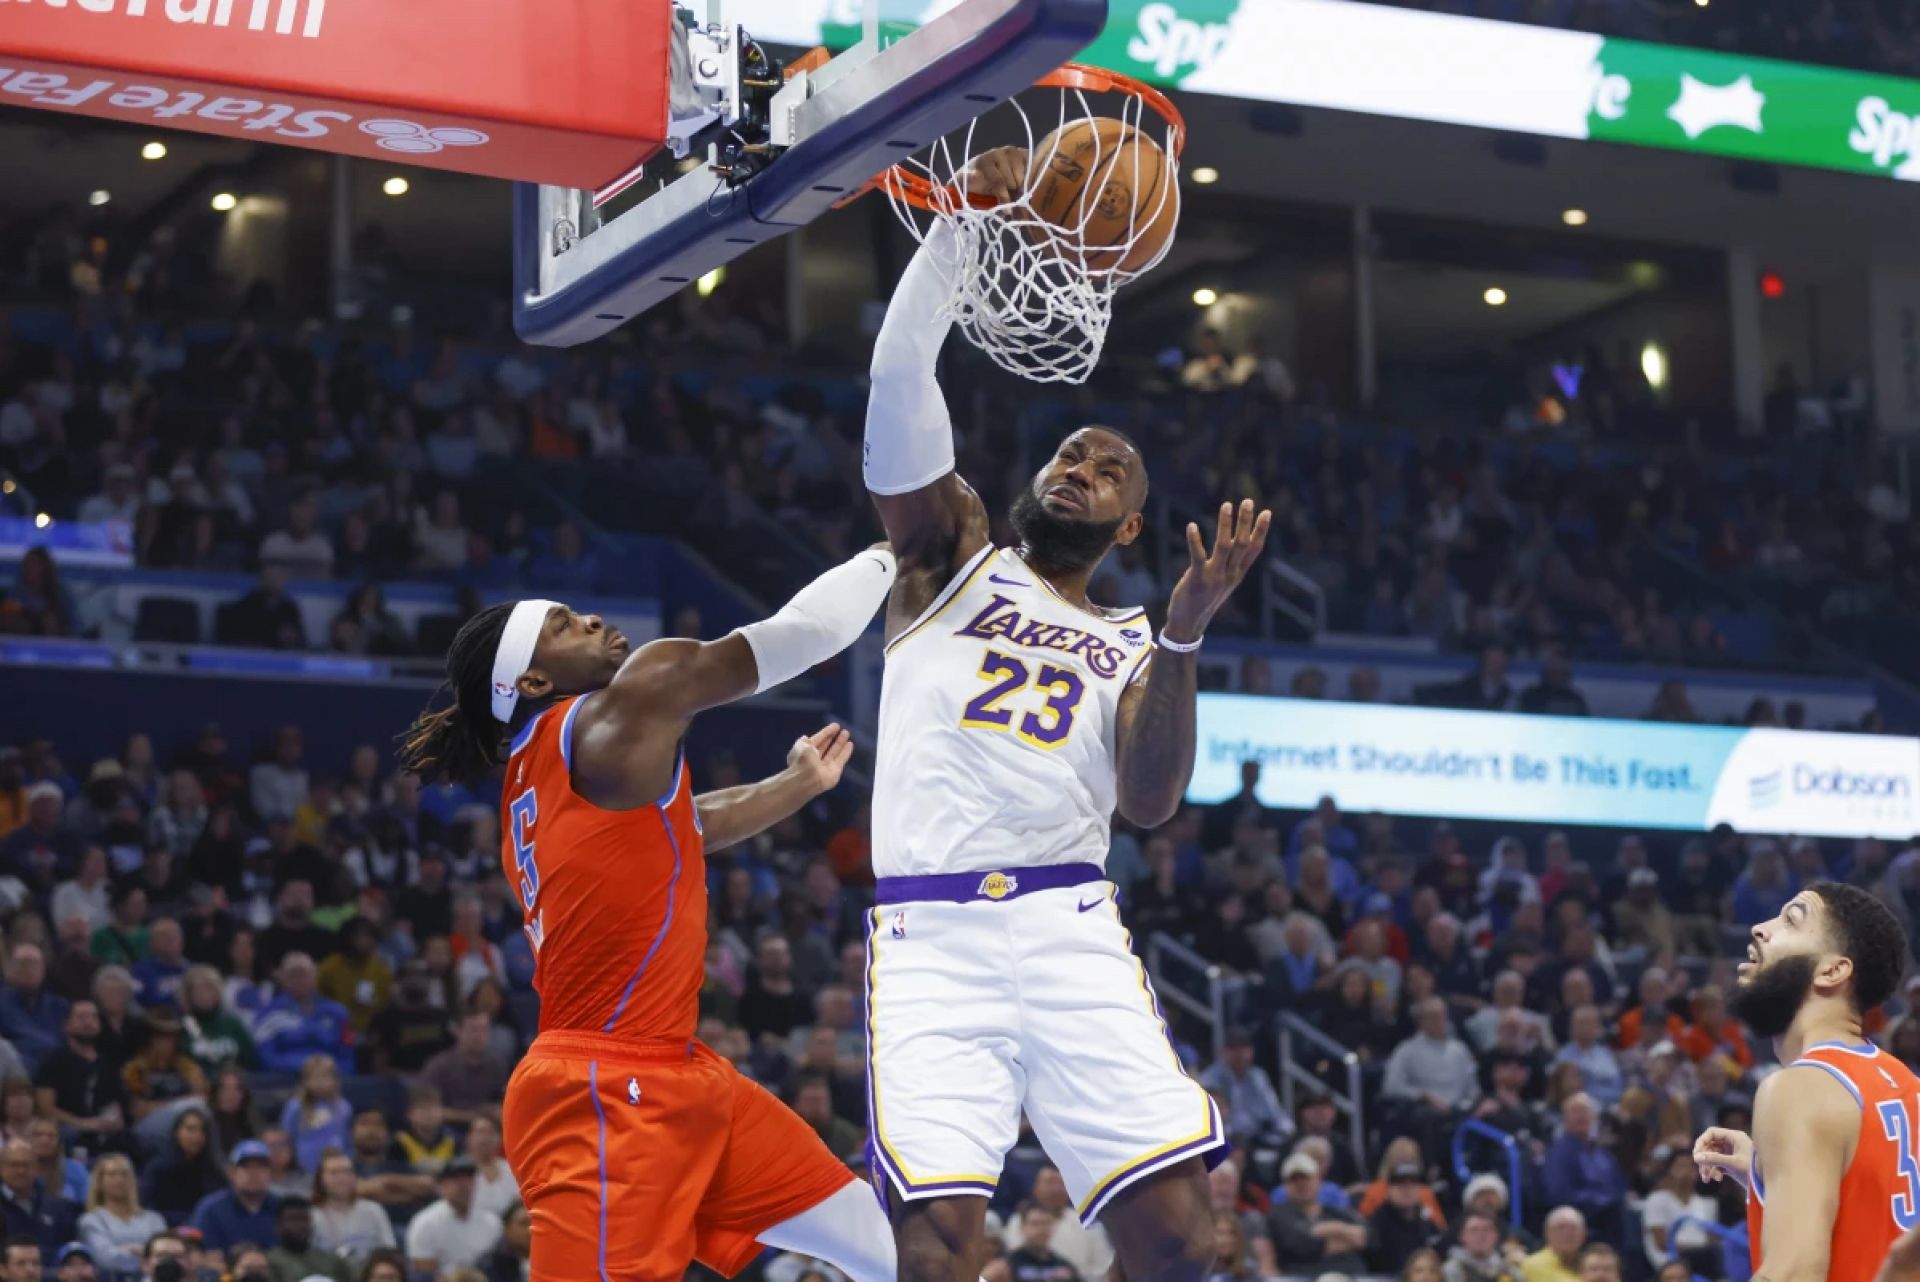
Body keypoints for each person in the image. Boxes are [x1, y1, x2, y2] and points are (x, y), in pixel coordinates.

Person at [860, 146, 1269, 1282]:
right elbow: (900, 376)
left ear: (1131, 526)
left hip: (1068, 926)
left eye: (1111, 470)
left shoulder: (1136, 637)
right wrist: (960, 222)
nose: (1083, 467)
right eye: (1072, 452)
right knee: (938, 1247)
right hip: (932, 934)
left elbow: (1148, 801)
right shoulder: (950, 556)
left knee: (1187, 1244)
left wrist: (1185, 628)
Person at [395, 553, 901, 1281]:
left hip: (680, 1075)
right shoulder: (629, 702)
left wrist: (793, 786)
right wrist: (899, 544)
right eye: (564, 626)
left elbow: (680, 829)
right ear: (535, 681)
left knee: (889, 1244)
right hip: (598, 1093)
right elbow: (805, 632)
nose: (593, 620)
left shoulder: (536, 780)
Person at [1693, 882, 1915, 1282]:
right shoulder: (1902, 1081)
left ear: (1832, 969)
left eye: (1791, 922)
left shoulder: (1801, 1088)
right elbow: (1877, 1206)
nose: (1760, 928)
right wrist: (1767, 1175)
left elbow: (1794, 1273)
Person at [1266, 1152, 1366, 1276]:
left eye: (1306, 1178)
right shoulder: (1278, 1216)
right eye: (1294, 1179)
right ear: (1285, 1185)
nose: (1301, 1184)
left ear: (1319, 1180)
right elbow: (1298, 1245)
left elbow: (1364, 1237)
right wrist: (1342, 1234)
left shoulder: (1336, 1212)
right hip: (1303, 1276)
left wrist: (1326, 1229)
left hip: (1350, 1274)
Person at [403, 1159, 500, 1277]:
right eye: (455, 1178)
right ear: (441, 1185)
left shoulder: (492, 1221)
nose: (463, 1184)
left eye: (468, 1178)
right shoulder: (424, 1223)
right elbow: (424, 1275)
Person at [188, 1139, 280, 1263]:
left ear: (271, 1173)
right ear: (232, 1172)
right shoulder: (211, 1208)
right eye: (246, 1167)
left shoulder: (281, 1206)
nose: (253, 1173)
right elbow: (203, 1253)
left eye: (260, 1166)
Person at [77, 1154, 165, 1277]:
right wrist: (147, 1254)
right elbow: (105, 1259)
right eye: (112, 1174)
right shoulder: (91, 1221)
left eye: (124, 1174)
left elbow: (165, 1258)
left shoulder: (154, 1219)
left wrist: (128, 1250)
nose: (119, 1179)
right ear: (100, 1182)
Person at [140, 1107, 228, 1223]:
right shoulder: (158, 1167)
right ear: (177, 1132)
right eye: (191, 1129)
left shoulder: (212, 1170)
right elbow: (147, 1209)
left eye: (202, 1131)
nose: (197, 1136)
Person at [312, 1151, 397, 1267]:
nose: (342, 1178)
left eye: (347, 1171)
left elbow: (389, 1253)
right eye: (334, 1173)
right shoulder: (312, 1216)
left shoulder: (374, 1210)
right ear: (320, 1179)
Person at [277, 1056, 351, 1177]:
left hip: (336, 1168)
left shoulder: (344, 1107)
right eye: (315, 1077)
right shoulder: (295, 1107)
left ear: (335, 1079)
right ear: (305, 1081)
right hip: (303, 1170)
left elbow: (346, 1138)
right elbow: (287, 1136)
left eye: (325, 1077)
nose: (320, 1082)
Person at [1367, 1163, 1440, 1271]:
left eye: (1413, 1184)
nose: (1407, 1190)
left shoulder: (1426, 1221)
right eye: (1400, 1184)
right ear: (1389, 1190)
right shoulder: (1378, 1222)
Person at [265, 1195, 351, 1282]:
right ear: (279, 1226)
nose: (301, 1225)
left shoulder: (331, 1261)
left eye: (305, 1219)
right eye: (293, 1219)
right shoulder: (269, 1262)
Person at [1005, 1204, 1080, 1282]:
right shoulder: (1009, 1264)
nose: (1041, 1229)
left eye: (1046, 1223)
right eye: (1035, 1224)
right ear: (1022, 1228)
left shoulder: (1064, 1267)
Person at [1522, 1208, 1586, 1282]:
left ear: (1583, 1233)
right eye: (1561, 1228)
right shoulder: (1531, 1266)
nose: (1567, 1234)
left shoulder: (1594, 1266)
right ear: (1547, 1232)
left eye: (1573, 1228)